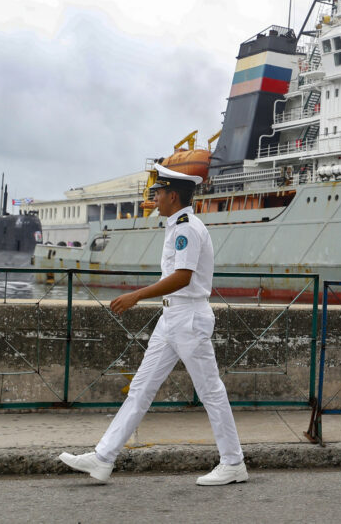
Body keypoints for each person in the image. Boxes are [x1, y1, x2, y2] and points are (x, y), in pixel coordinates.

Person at [58, 164, 247, 485]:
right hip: (172, 318)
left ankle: (233, 463)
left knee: (210, 391)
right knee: (141, 388)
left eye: (157, 192)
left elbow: (182, 277)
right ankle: (103, 458)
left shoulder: (186, 229)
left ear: (173, 196)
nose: (154, 198)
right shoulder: (178, 226)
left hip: (188, 318)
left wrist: (137, 296)